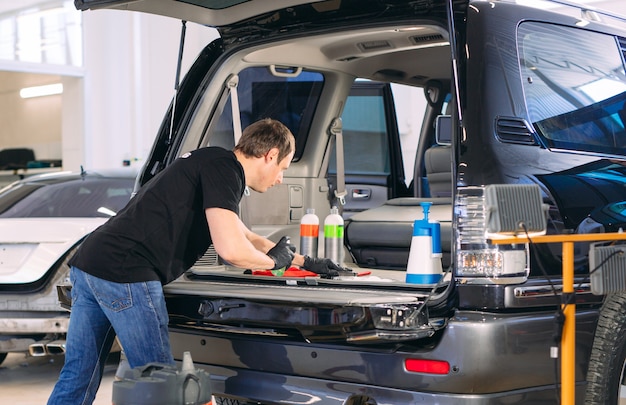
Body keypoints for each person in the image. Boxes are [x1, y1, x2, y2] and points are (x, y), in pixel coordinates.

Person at [47, 118, 346, 405]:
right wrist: (273, 263)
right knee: (158, 381)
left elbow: (245, 235)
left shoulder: (213, 161)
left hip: (91, 263)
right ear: (270, 155)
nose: (280, 179)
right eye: (282, 168)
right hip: (126, 272)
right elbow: (231, 250)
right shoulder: (226, 171)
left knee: (78, 376)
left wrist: (306, 261)